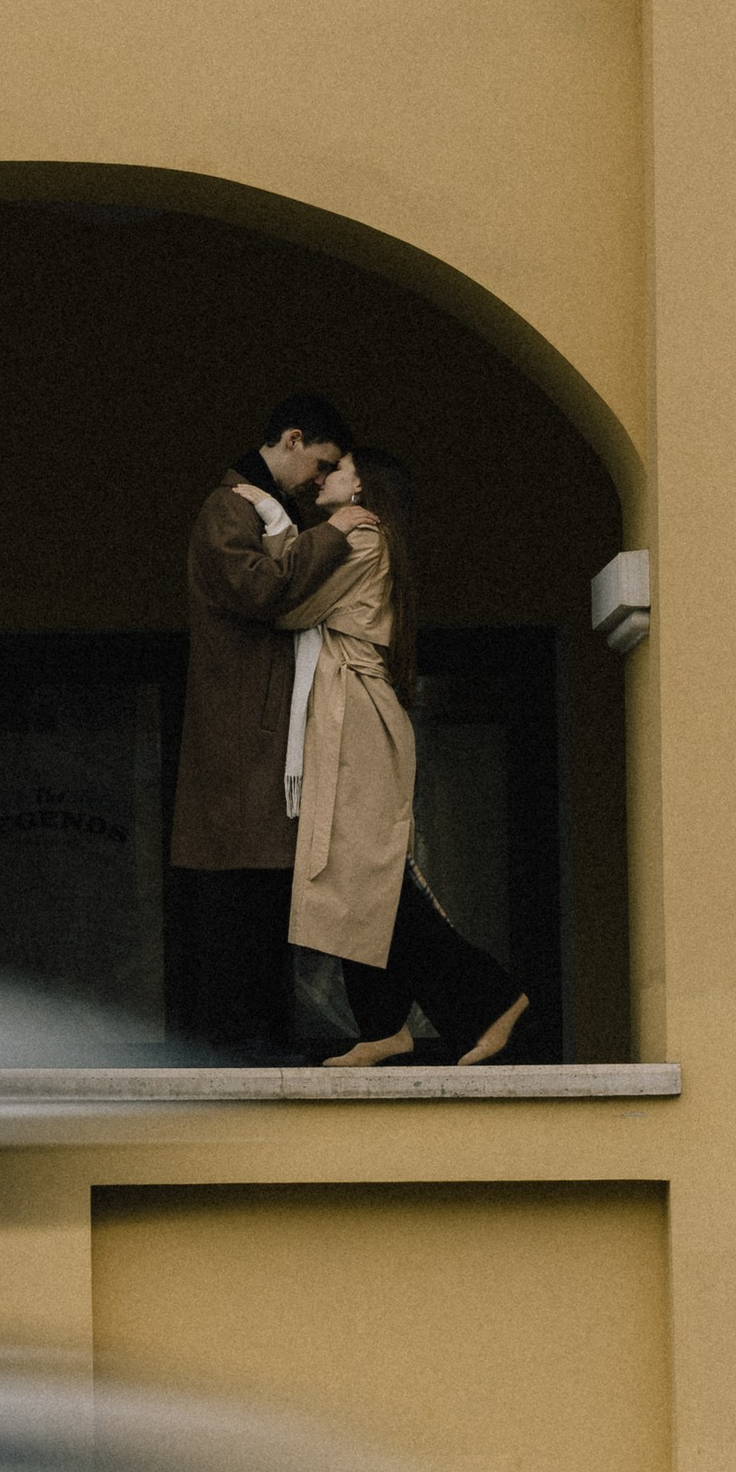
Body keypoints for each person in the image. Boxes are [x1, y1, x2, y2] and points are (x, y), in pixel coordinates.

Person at [282, 448, 529, 1067]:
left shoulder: (363, 541)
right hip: (353, 712)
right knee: (354, 874)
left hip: (356, 718)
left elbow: (289, 604)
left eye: (333, 467)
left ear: (360, 483)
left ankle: (491, 998)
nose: (322, 477)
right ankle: (384, 1025)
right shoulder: (366, 541)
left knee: (367, 872)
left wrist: (325, 530)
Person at [168, 394, 365, 1058]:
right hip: (241, 739)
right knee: (241, 894)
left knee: (261, 893)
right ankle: (242, 1041)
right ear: (291, 438)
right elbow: (259, 589)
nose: (320, 479)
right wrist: (338, 533)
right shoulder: (228, 509)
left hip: (256, 738)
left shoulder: (255, 509)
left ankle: (259, 1036)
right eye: (322, 463)